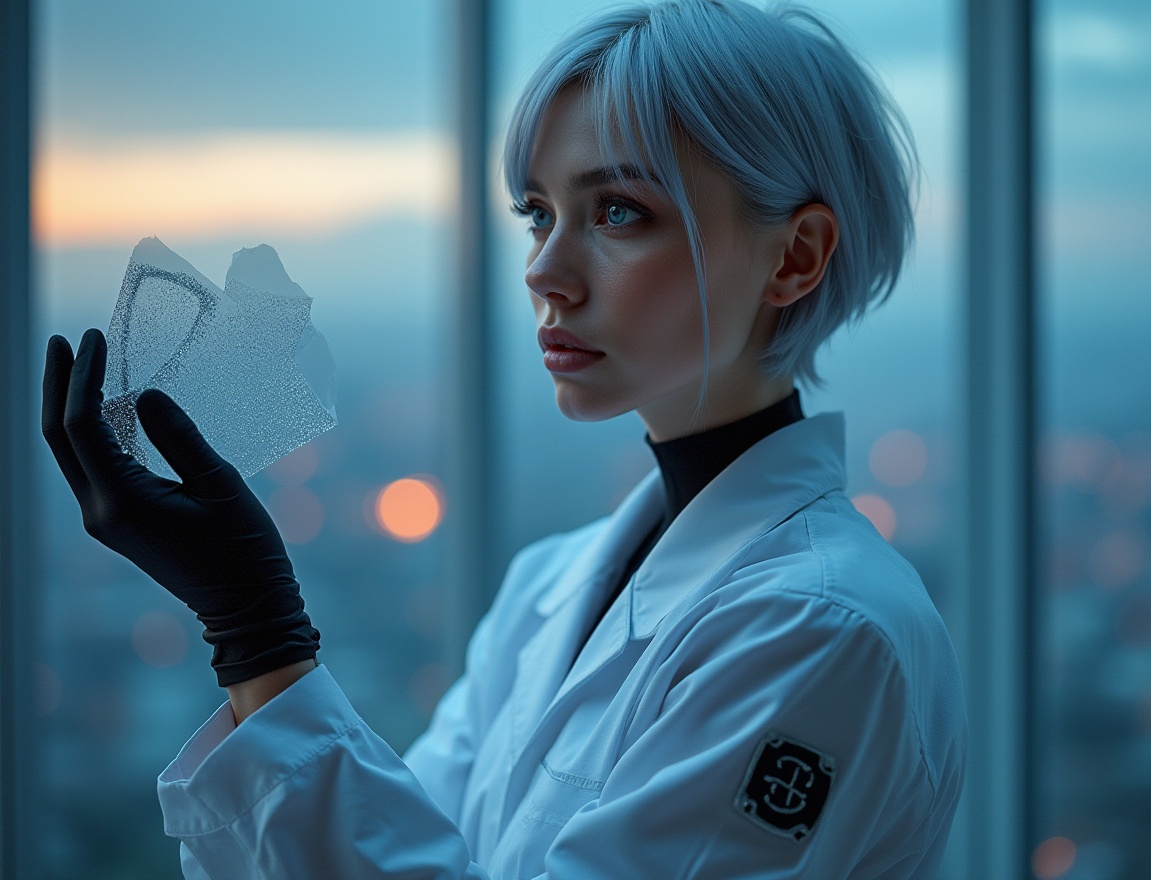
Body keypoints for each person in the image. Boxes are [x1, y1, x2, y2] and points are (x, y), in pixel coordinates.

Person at [41, 0, 967, 876]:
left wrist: (260, 637)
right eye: (538, 213)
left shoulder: (826, 628)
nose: (545, 270)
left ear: (795, 257)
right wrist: (252, 635)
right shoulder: (547, 589)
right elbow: (404, 847)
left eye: (617, 212)